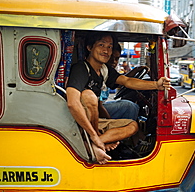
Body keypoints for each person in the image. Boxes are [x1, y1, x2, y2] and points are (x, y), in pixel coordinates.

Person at [66, 32, 170, 165]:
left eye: (109, 47)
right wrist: (93, 135)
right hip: (77, 123)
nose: (106, 50)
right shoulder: (81, 68)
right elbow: (72, 103)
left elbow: (127, 81)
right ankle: (94, 143)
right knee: (89, 95)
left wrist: (156, 85)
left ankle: (95, 144)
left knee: (132, 126)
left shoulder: (103, 70)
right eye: (101, 45)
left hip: (94, 122)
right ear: (89, 47)